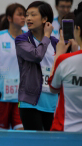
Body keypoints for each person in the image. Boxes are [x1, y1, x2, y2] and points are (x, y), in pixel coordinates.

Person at [15, 1, 59, 131]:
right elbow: (36, 56)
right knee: (35, 142)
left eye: (33, 15)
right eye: (27, 15)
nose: (28, 18)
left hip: (52, 102)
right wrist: (46, 36)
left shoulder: (56, 43)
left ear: (45, 19)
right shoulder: (21, 40)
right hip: (30, 102)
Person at [0, 3, 26, 130]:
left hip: (22, 94)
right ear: (9, 18)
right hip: (3, 93)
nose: (23, 17)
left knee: (20, 128)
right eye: (19, 14)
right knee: (0, 130)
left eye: (24, 15)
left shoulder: (29, 37)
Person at [48, 3, 82, 132]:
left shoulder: (64, 60)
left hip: (65, 130)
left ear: (77, 30)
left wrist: (59, 55)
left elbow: (53, 88)